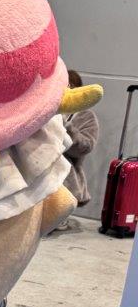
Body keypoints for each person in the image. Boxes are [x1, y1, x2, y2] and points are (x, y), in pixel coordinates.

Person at [62, 70, 100, 209]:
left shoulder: (86, 116)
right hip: (40, 176)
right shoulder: (46, 110)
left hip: (68, 180)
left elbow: (85, 148)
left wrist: (67, 128)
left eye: (68, 86)